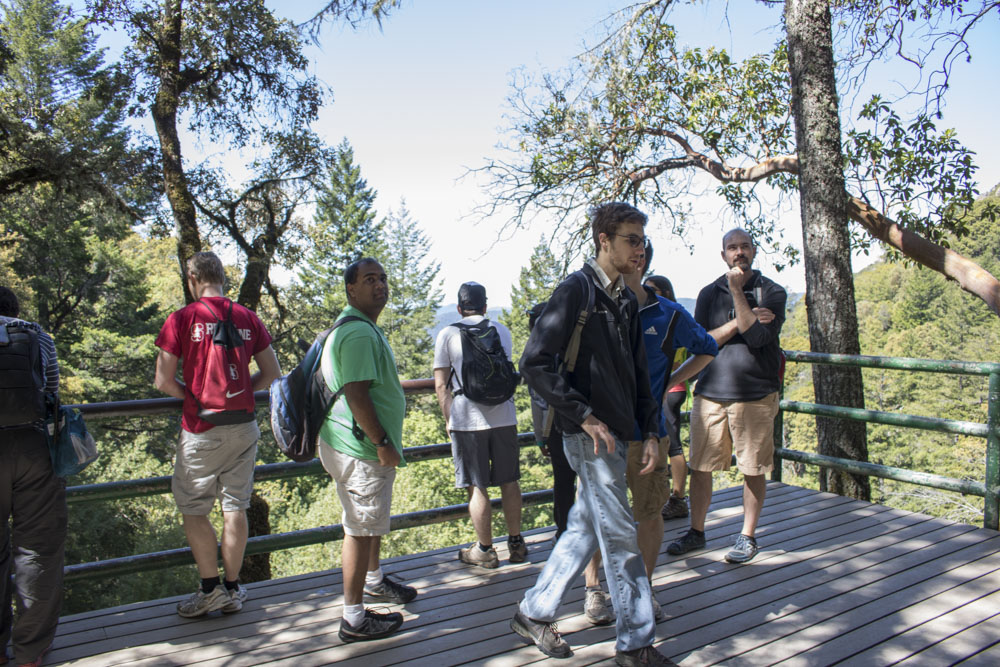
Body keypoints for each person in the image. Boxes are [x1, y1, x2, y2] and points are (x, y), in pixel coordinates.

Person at [513, 202, 674, 667]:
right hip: (589, 436)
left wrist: (648, 430)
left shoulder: (626, 297)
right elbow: (534, 363)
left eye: (642, 240)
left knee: (584, 528)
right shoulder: (575, 291)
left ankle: (533, 611)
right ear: (604, 241)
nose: (640, 250)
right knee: (621, 534)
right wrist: (583, 415)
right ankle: (635, 645)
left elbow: (640, 374)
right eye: (631, 240)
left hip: (622, 434)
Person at [154, 252, 281, 617]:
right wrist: (242, 393)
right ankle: (233, 587)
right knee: (235, 507)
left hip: (202, 428)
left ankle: (210, 590)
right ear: (222, 278)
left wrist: (192, 398)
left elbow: (163, 380)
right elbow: (272, 372)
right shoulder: (246, 317)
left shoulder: (181, 319)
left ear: (192, 277)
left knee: (194, 508)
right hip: (243, 425)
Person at [666, 228, 786, 564]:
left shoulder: (772, 291)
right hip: (710, 393)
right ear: (723, 255)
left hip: (756, 393)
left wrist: (737, 294)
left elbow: (760, 339)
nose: (739, 253)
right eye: (732, 248)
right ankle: (696, 531)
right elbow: (704, 343)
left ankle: (747, 537)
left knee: (752, 467)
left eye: (744, 246)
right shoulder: (708, 294)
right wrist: (740, 322)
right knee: (701, 466)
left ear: (753, 251)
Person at [321, 258, 416, 643]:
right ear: (351, 289)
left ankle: (374, 580)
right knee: (359, 529)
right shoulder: (359, 333)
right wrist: (382, 444)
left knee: (368, 522)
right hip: (361, 448)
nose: (379, 285)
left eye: (383, 278)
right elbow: (357, 394)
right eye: (369, 279)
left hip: (351, 444)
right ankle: (354, 619)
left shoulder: (357, 326)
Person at [622, 242, 717, 620]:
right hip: (600, 435)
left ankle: (643, 591)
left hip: (649, 433)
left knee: (649, 514)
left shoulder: (668, 313)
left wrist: (671, 381)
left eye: (636, 247)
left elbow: (707, 348)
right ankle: (594, 590)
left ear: (644, 260)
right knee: (597, 516)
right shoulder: (593, 308)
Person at [526, 302, 613, 627]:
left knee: (567, 490)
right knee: (593, 509)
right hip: (582, 428)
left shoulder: (547, 353)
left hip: (561, 429)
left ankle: (563, 535)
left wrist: (540, 436)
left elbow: (539, 401)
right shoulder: (570, 346)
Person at [434, 282, 525, 568]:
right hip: (505, 416)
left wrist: (449, 421)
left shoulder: (448, 334)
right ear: (485, 306)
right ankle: (517, 543)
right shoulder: (501, 331)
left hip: (467, 419)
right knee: (510, 482)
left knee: (477, 486)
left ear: (460, 308)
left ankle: (485, 550)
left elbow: (440, 386)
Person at [0, 287, 64, 667]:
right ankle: (30, 650)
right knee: (38, 548)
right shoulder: (36, 334)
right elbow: (52, 391)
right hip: (33, 448)